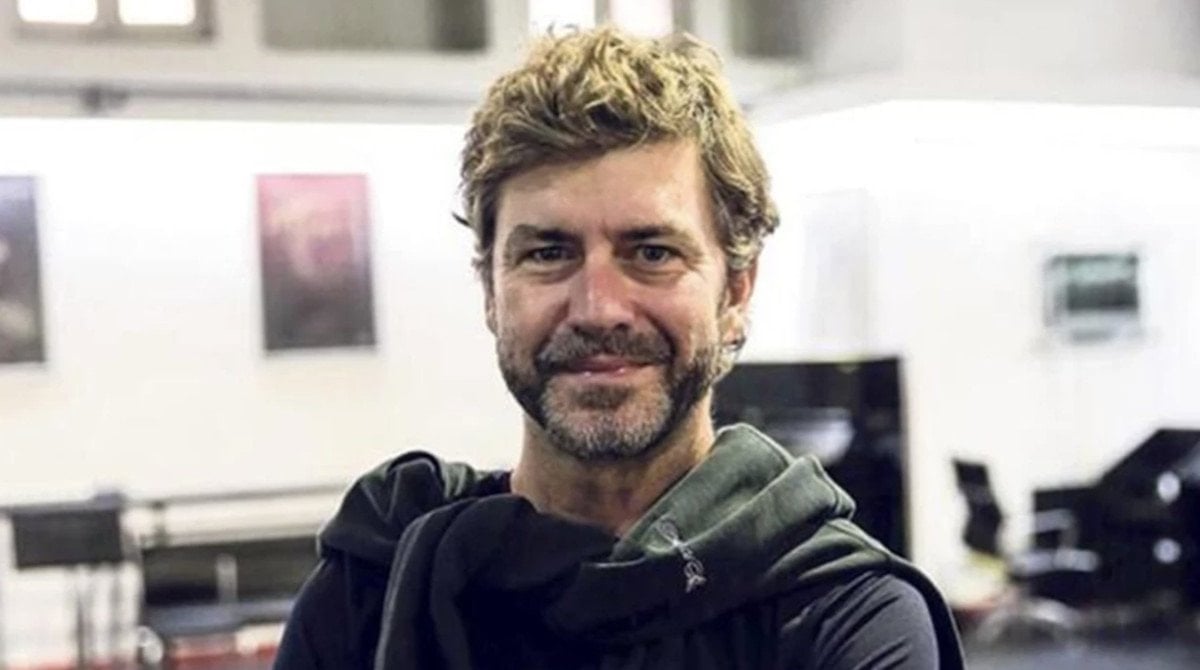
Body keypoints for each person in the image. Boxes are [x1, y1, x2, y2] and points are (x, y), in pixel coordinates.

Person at [275, 27, 964, 670]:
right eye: (549, 253)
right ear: (490, 290)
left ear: (736, 291)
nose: (598, 307)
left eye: (652, 252)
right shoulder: (374, 587)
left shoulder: (844, 616)